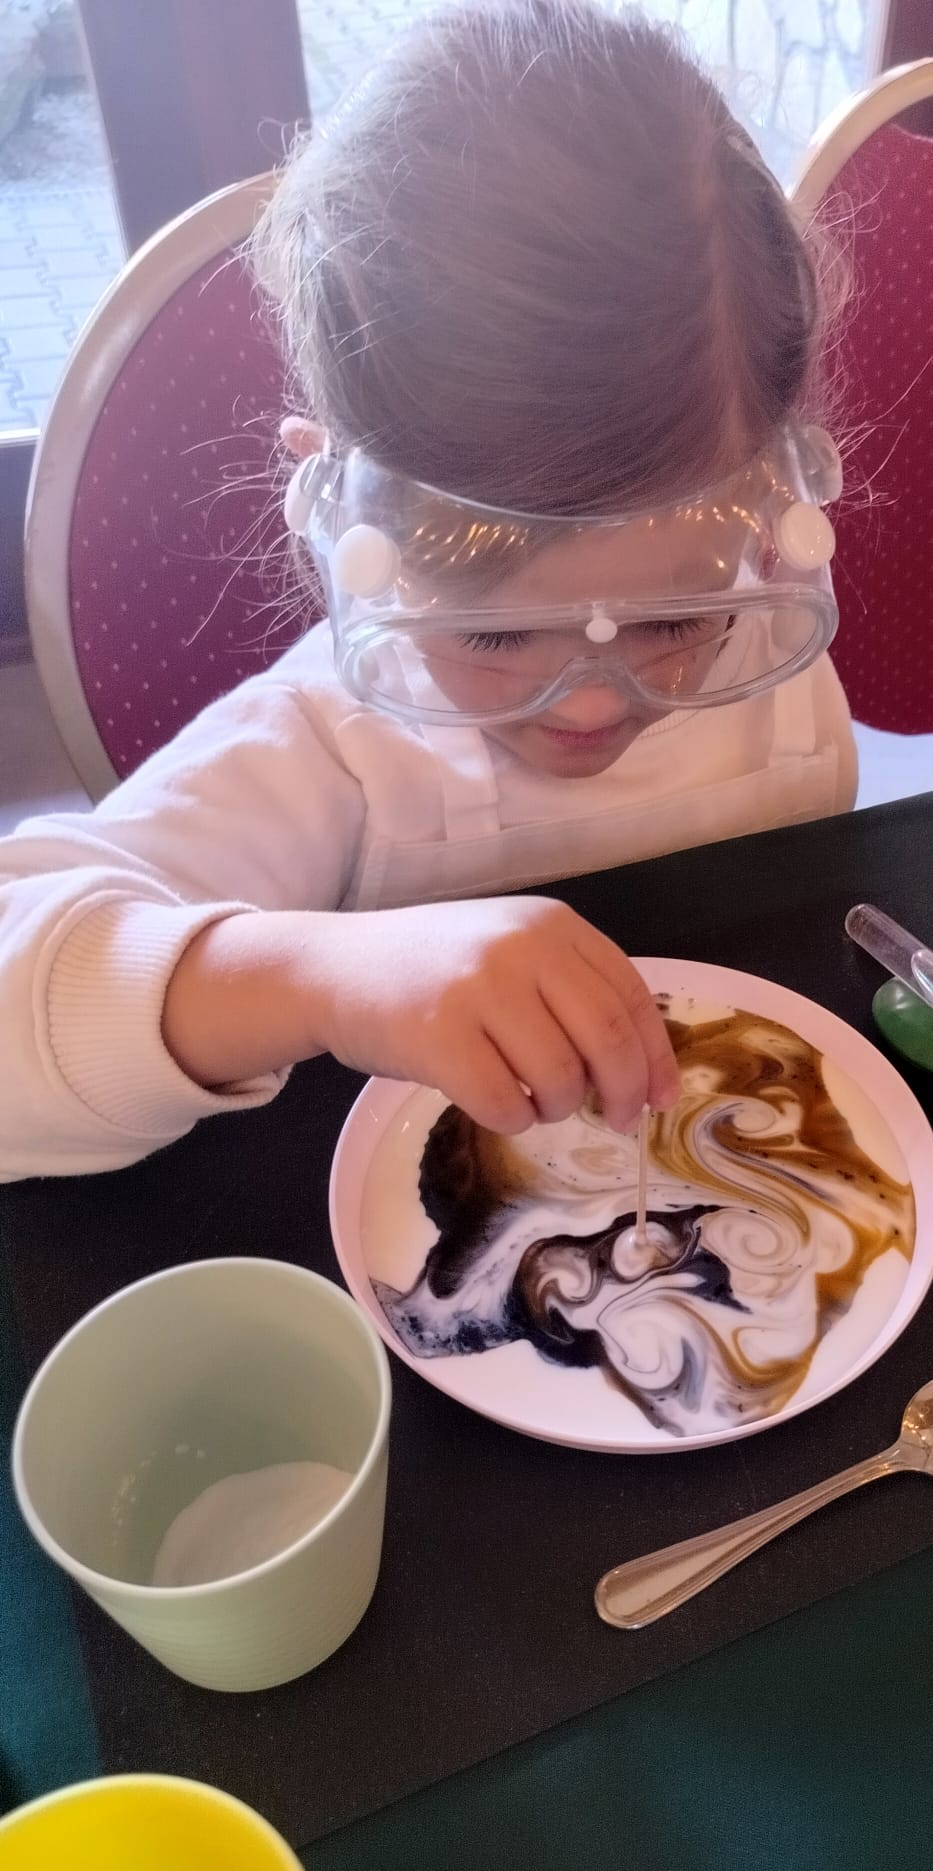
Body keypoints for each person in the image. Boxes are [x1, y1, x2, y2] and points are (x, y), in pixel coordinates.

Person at [0, 0, 855, 1181]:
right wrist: (326, 978)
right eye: (497, 631)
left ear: (769, 512)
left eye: (670, 618)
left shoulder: (780, 683)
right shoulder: (331, 749)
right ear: (352, 520)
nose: (590, 700)